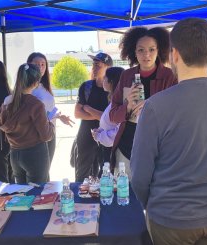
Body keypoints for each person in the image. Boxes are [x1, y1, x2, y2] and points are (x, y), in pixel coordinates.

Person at [130, 18, 207, 245]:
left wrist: (148, 205)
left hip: (172, 217)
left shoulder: (156, 106)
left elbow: (140, 173)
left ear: (174, 54)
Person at [109, 26, 177, 177]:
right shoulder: (126, 76)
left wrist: (152, 107)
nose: (146, 54)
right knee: (124, 194)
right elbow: (112, 116)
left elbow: (177, 116)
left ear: (159, 50)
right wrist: (127, 107)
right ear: (134, 51)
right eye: (141, 50)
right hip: (126, 148)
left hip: (158, 151)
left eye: (152, 49)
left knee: (153, 197)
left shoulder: (170, 76)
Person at [0, 63, 55, 184]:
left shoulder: (7, 102)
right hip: (35, 154)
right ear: (36, 82)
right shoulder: (35, 104)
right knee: (37, 195)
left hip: (14, 154)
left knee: (22, 194)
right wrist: (51, 124)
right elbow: (46, 135)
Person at [27, 52, 74, 176]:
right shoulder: (28, 89)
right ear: (29, 65)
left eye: (43, 64)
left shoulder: (44, 86)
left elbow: (49, 109)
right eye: (37, 64)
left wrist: (59, 115)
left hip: (50, 133)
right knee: (39, 175)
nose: (40, 67)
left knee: (45, 172)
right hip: (36, 137)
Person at [74, 52, 112, 182]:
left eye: (98, 65)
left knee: (105, 172)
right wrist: (101, 116)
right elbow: (77, 113)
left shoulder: (113, 89)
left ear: (108, 67)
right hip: (86, 135)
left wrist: (88, 109)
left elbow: (111, 117)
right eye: (93, 65)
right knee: (82, 173)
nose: (94, 68)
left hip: (107, 136)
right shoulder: (86, 86)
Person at [90, 67, 124, 166]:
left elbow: (118, 131)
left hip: (114, 151)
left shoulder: (120, 102)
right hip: (107, 149)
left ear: (111, 82)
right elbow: (110, 124)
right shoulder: (114, 100)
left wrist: (99, 136)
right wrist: (100, 131)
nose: (103, 79)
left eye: (105, 77)